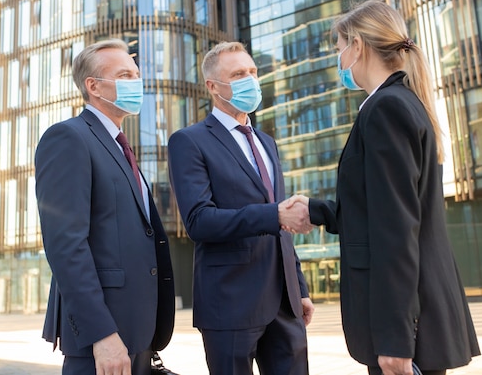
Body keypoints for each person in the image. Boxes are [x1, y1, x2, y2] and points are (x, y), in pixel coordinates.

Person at [287, 0, 480, 375]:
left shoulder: (385, 110)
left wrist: (395, 338)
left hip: (406, 325)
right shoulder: (402, 102)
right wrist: (318, 210)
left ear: (357, 46)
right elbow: (381, 207)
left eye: (339, 47)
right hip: (417, 316)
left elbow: (396, 228)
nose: (339, 59)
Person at [167, 41, 314, 375]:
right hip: (230, 302)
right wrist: (274, 215)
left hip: (285, 303)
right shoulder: (189, 141)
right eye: (238, 74)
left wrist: (300, 289)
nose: (250, 79)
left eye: (252, 71)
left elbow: (284, 222)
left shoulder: (267, 142)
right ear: (212, 86)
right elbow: (199, 221)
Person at [35, 39, 175, 375]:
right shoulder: (68, 138)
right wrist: (102, 335)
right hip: (104, 340)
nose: (137, 83)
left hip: (139, 334)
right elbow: (66, 246)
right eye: (125, 75)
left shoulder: (119, 146)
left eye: (137, 74)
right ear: (94, 86)